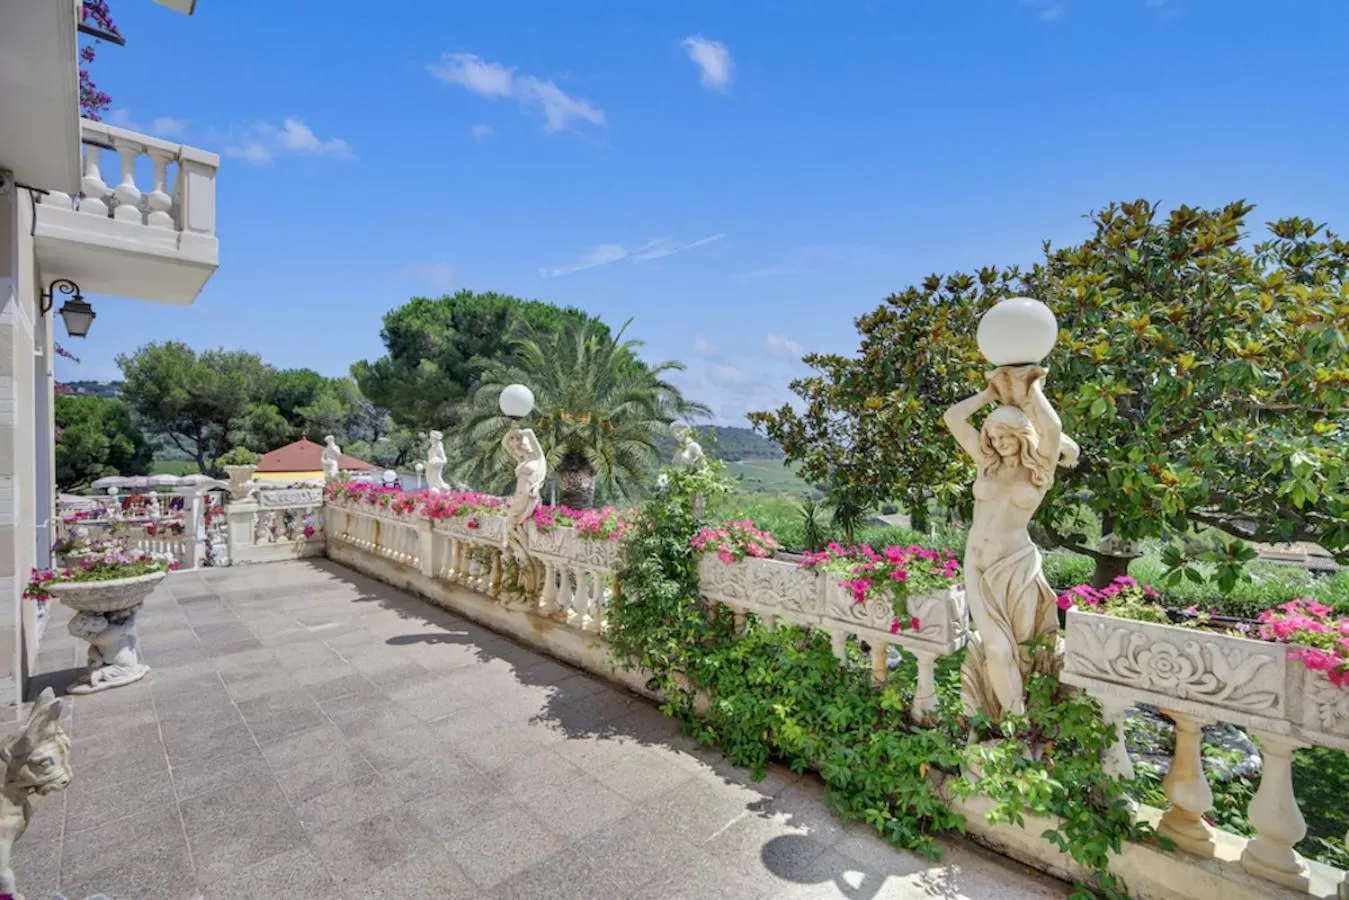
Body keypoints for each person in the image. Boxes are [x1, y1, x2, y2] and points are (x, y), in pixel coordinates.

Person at [943, 365, 1080, 720]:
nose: (1000, 443)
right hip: (976, 562)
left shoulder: (1039, 470)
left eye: (1007, 436)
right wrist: (991, 394)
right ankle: (1009, 728)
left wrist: (1031, 390)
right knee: (995, 647)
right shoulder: (986, 463)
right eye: (994, 435)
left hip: (1015, 567)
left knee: (1012, 651)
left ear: (1022, 436)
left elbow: (1052, 428)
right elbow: (954, 418)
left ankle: (1017, 727)